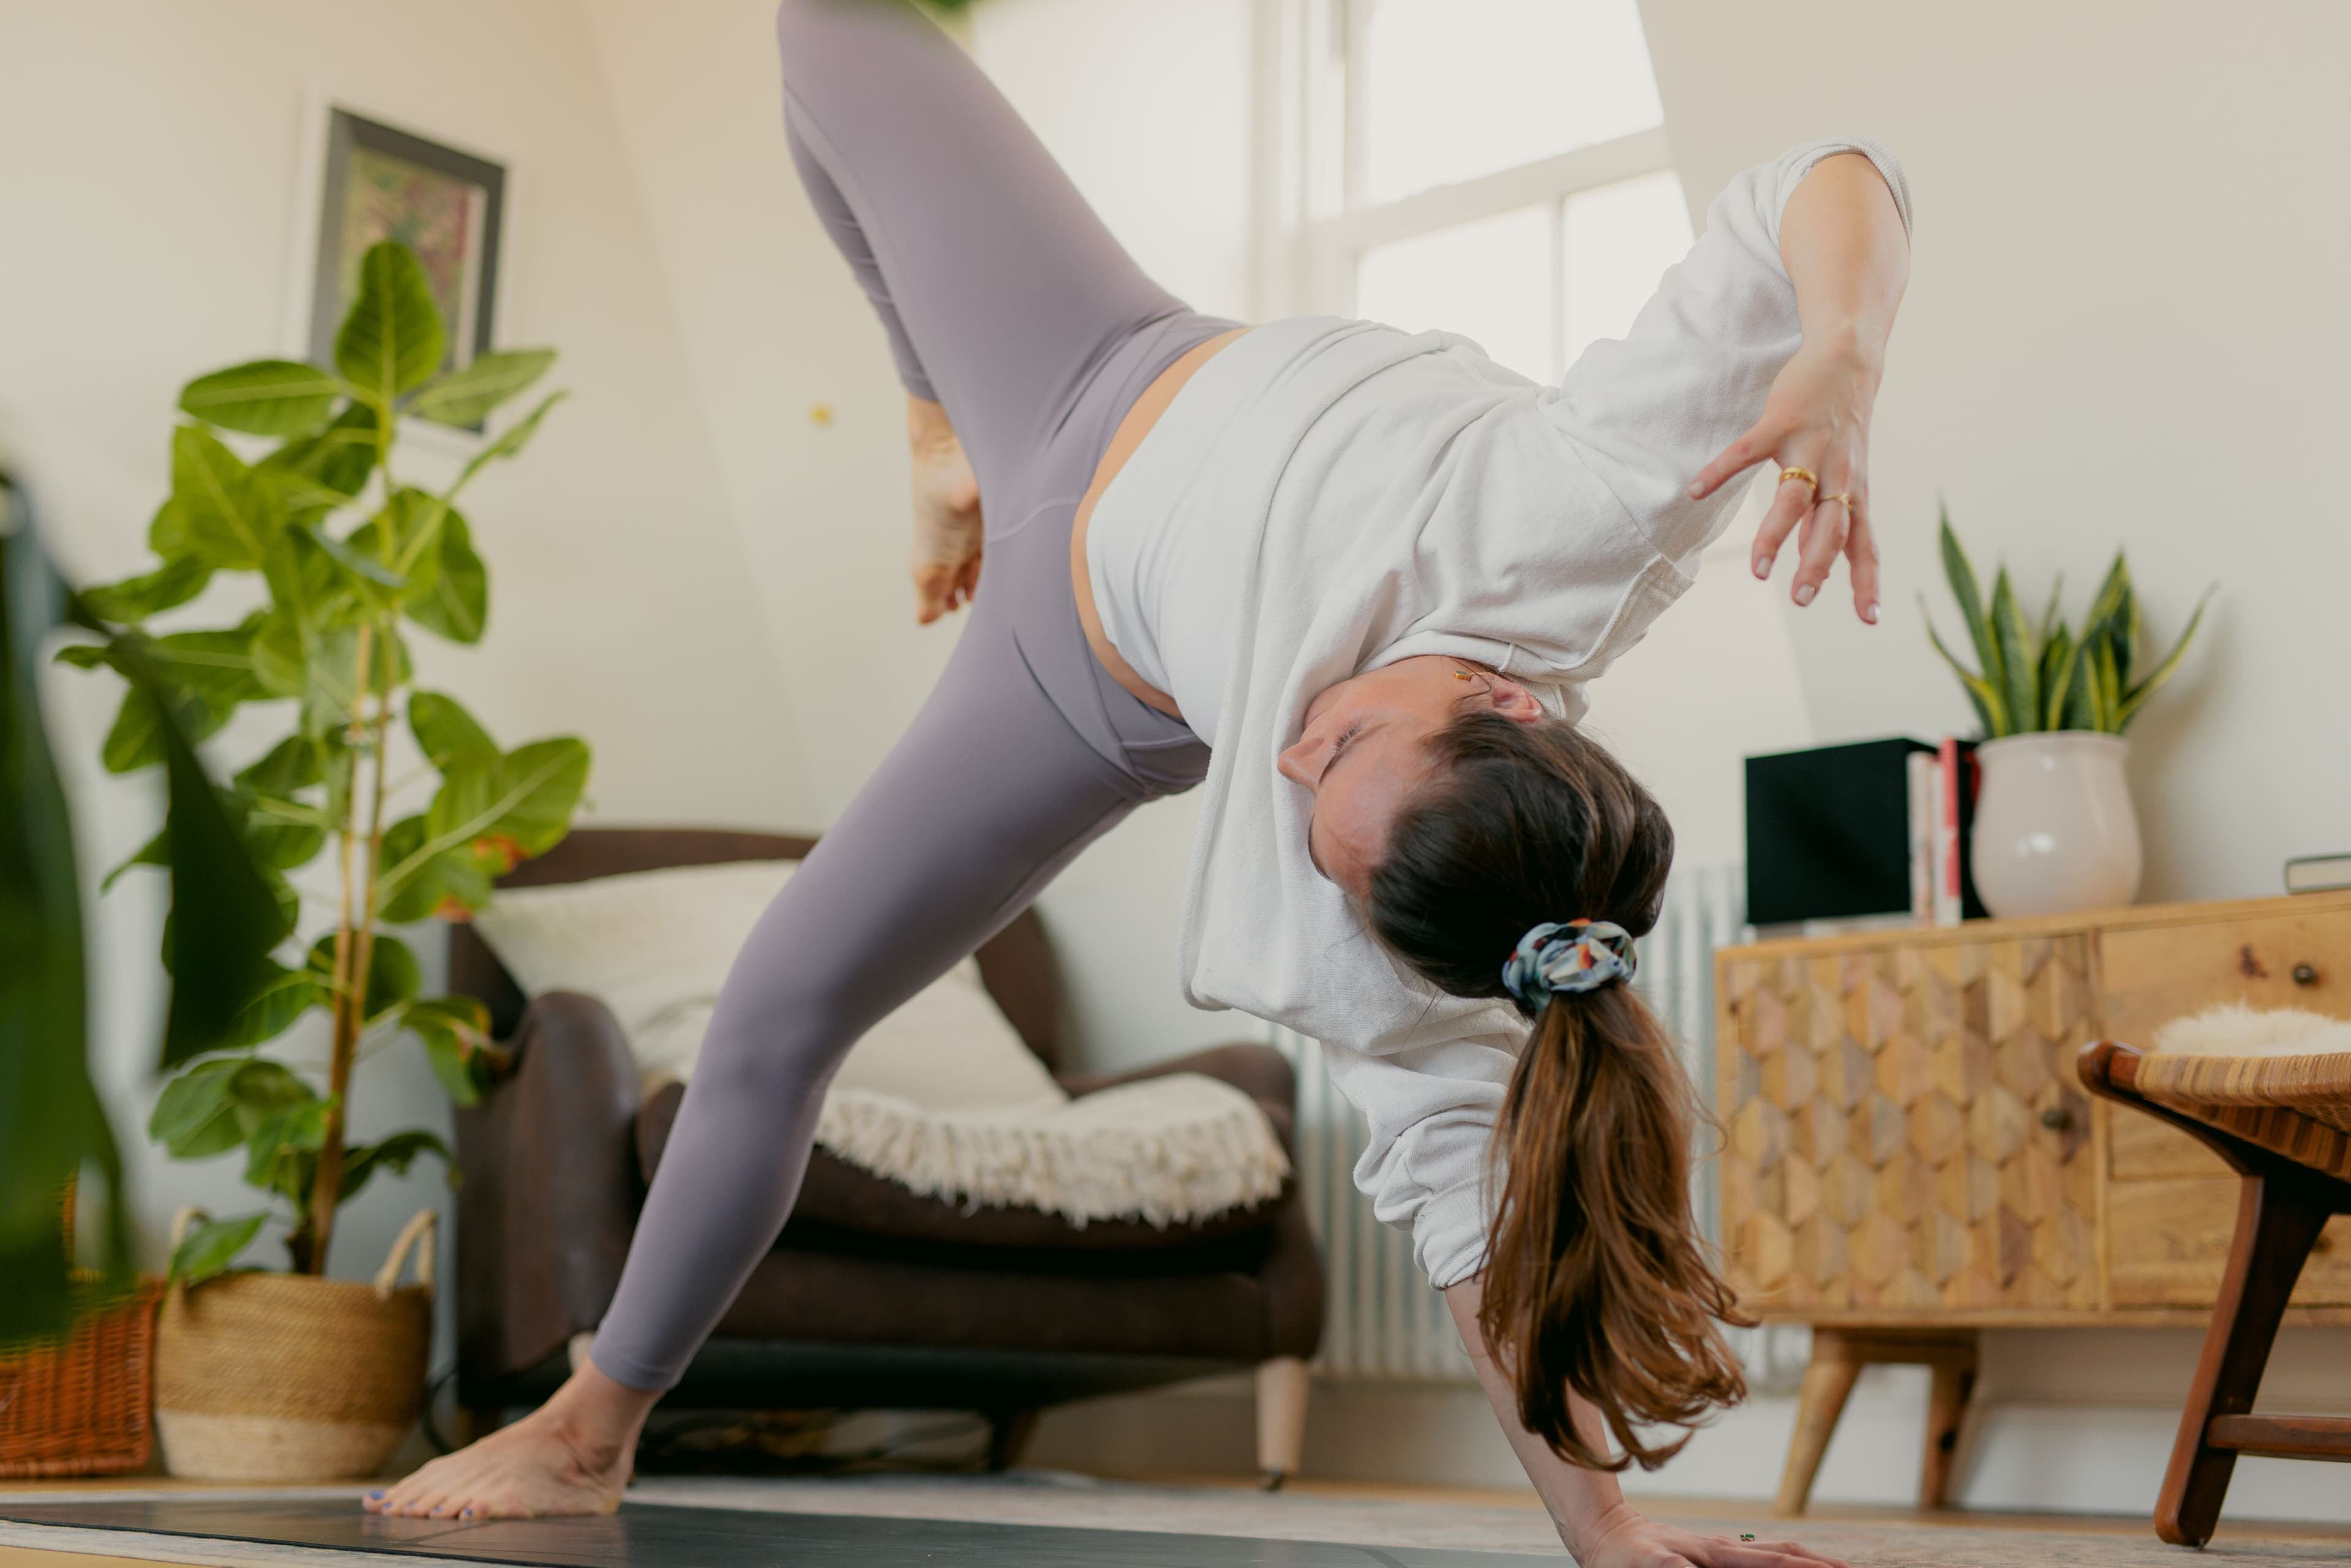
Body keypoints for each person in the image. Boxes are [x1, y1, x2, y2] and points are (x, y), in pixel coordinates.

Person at [370, 0, 1908, 1560]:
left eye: (1312, 815)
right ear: (1505, 696)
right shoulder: (1582, 510)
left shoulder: (1373, 943)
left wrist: (1609, 1538)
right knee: (830, 27)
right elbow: (1829, 174)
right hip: (1103, 361)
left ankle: (587, 1428)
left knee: (775, 1008)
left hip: (1072, 669)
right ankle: (939, 425)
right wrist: (1843, 355)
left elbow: (1470, 1220)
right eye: (1347, 742)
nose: (1289, 755)